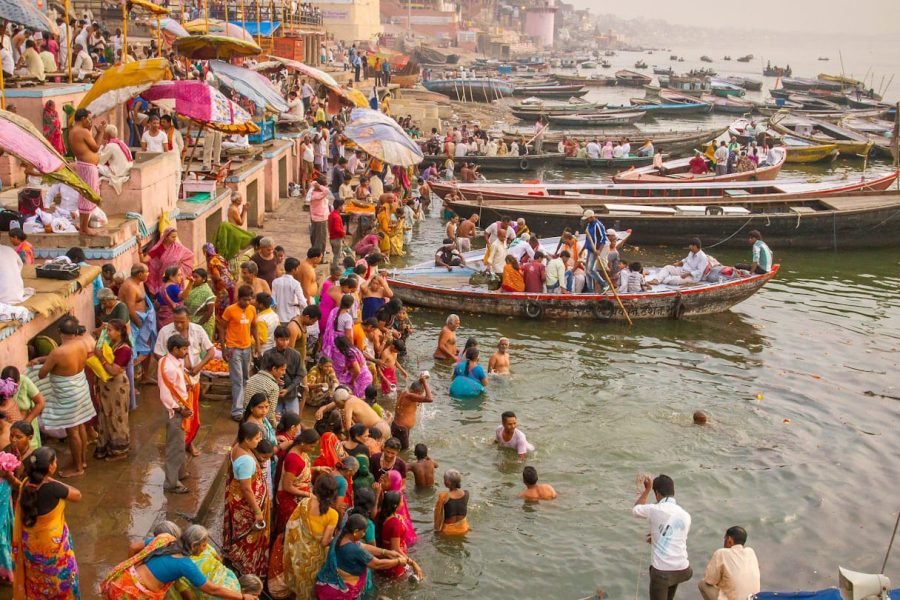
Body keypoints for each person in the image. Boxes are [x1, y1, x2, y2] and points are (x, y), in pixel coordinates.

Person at [101, 525, 251, 599]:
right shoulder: (185, 565)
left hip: (122, 581)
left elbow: (134, 546)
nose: (205, 548)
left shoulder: (165, 538)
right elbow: (213, 589)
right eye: (204, 545)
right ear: (194, 546)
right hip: (134, 594)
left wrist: (133, 566)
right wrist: (243, 597)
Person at [11, 447, 81, 598]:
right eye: (55, 461)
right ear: (50, 467)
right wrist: (50, 479)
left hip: (31, 548)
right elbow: (77, 495)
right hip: (53, 550)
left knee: (37, 584)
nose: (56, 463)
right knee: (61, 583)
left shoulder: (25, 485)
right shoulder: (54, 488)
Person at [36, 316, 96, 478]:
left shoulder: (58, 352)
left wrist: (41, 363)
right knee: (80, 425)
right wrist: (44, 359)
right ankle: (82, 461)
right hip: (81, 388)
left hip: (68, 395)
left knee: (73, 431)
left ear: (60, 333)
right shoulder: (82, 343)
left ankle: (78, 468)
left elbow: (42, 374)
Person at [154, 308, 214, 456]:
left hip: (193, 381)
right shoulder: (166, 332)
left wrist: (199, 367)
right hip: (175, 385)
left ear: (189, 319)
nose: (179, 325)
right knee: (175, 416)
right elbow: (158, 353)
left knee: (192, 415)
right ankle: (177, 445)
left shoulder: (198, 330)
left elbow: (211, 351)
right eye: (176, 322)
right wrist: (173, 368)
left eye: (182, 322)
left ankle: (189, 443)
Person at [315, 512, 407, 599]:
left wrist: (386, 552)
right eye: (363, 532)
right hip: (340, 593)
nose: (363, 535)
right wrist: (398, 561)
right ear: (355, 531)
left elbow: (362, 545)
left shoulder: (341, 536)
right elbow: (377, 564)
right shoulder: (354, 550)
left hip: (328, 585)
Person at [633, 474, 693, 600]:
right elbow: (677, 538)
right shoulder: (685, 515)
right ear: (674, 492)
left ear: (657, 494)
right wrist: (657, 537)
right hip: (682, 569)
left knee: (661, 577)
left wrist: (647, 490)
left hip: (662, 573)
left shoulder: (655, 509)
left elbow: (636, 509)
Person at [224, 422, 270, 578]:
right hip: (245, 504)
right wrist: (257, 511)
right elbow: (246, 488)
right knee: (248, 535)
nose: (259, 440)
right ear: (246, 439)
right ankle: (246, 566)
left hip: (239, 498)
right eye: (256, 438)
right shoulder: (246, 460)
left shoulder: (239, 447)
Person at [283, 474, 340, 598]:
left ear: (316, 489)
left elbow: (292, 526)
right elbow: (325, 542)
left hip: (299, 553)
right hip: (315, 558)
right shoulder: (333, 515)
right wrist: (337, 539)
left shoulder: (304, 503)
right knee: (311, 585)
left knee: (300, 580)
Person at [157, 334, 193, 494]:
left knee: (181, 442)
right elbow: (165, 394)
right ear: (175, 349)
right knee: (175, 447)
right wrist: (180, 409)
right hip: (175, 411)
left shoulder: (169, 360)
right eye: (184, 349)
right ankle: (171, 483)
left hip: (180, 405)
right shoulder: (169, 367)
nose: (186, 352)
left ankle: (181, 472)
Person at [93, 319, 132, 461]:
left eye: (110, 330)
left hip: (117, 386)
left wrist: (101, 357)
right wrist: (101, 331)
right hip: (107, 386)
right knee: (105, 415)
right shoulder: (112, 344)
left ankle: (119, 451)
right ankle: (107, 446)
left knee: (117, 416)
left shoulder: (124, 349)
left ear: (119, 332)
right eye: (107, 330)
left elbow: (114, 370)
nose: (107, 333)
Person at [219, 286, 259, 421]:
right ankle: (237, 411)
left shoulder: (252, 309)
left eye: (249, 300)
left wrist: (257, 346)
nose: (247, 302)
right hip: (233, 348)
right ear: (238, 299)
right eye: (244, 300)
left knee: (246, 378)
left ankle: (244, 405)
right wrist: (223, 348)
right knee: (237, 379)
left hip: (247, 347)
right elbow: (222, 328)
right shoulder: (230, 310)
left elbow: (254, 327)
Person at [275, 428, 320, 534]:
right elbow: (287, 486)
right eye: (312, 446)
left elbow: (299, 472)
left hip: (298, 495)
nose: (313, 450)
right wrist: (307, 494)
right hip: (290, 499)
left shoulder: (301, 451)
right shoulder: (294, 459)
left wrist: (318, 468)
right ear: (303, 443)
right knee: (290, 532)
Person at [68, 108, 104, 234]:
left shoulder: (73, 130)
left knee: (87, 194)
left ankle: (84, 225)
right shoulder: (82, 131)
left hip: (84, 165)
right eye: (89, 119)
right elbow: (95, 147)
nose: (90, 121)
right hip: (87, 167)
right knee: (88, 195)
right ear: (83, 118)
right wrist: (101, 133)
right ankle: (84, 228)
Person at [699, 526, 760, 600]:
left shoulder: (721, 553)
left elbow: (709, 580)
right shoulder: (751, 552)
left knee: (703, 584)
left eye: (725, 538)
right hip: (753, 598)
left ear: (729, 540)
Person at [375, 490, 423, 580]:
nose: (403, 503)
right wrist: (413, 563)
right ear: (395, 506)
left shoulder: (382, 515)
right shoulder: (395, 524)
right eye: (401, 501)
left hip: (387, 559)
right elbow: (395, 549)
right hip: (396, 563)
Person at [145, 226, 194, 297]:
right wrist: (140, 250)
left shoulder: (178, 247)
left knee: (177, 294)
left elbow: (190, 255)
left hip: (176, 274)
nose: (175, 239)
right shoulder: (159, 248)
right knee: (164, 294)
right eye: (173, 237)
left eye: (175, 237)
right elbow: (144, 260)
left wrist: (180, 265)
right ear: (166, 237)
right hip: (163, 276)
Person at [391, 374, 432, 451]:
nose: (421, 396)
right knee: (404, 452)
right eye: (421, 393)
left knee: (398, 450)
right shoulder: (410, 396)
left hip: (398, 427)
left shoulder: (405, 392)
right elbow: (430, 398)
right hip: (401, 429)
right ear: (417, 392)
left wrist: (420, 381)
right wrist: (424, 382)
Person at [97, 124, 133, 193]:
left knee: (94, 165)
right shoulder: (122, 143)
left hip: (119, 173)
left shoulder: (110, 145)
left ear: (107, 135)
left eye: (103, 133)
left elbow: (100, 160)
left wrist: (101, 145)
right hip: (127, 171)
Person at [433, 469, 470, 536]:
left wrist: (436, 531)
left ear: (447, 482)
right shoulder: (466, 493)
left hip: (448, 531)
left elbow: (438, 516)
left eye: (444, 479)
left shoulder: (443, 496)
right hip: (464, 528)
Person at [185, 268, 217, 340]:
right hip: (191, 322)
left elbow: (209, 311)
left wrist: (198, 325)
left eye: (196, 277)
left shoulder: (207, 292)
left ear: (204, 278)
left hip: (203, 324)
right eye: (193, 277)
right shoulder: (191, 288)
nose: (193, 279)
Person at [582, 209, 609, 291]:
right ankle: (590, 290)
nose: (586, 220)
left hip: (595, 250)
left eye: (587, 219)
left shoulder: (598, 225)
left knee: (590, 270)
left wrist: (599, 250)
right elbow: (587, 239)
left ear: (591, 217)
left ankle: (604, 284)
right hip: (590, 249)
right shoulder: (588, 225)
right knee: (587, 271)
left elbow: (603, 239)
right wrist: (582, 250)